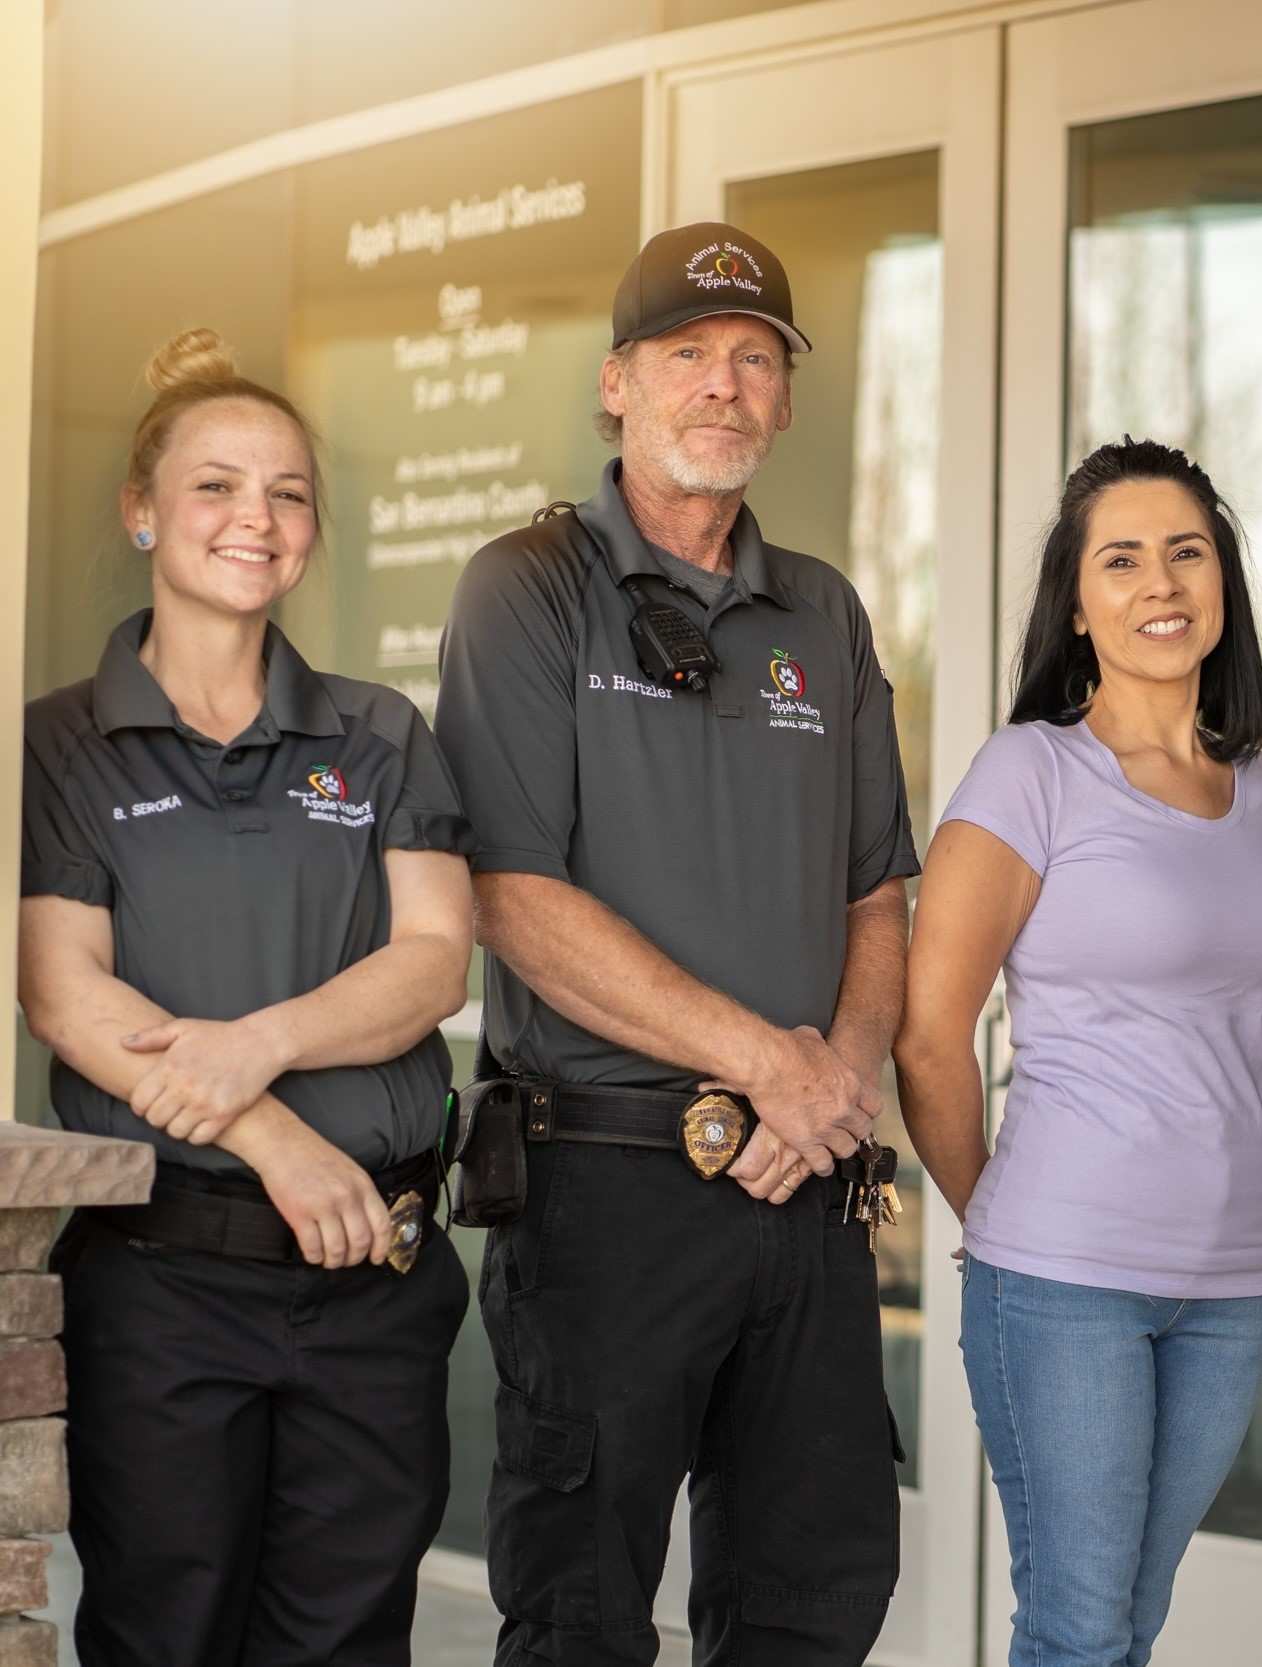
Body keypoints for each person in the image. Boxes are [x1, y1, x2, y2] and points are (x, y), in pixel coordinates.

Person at [433, 222, 917, 1666]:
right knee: (582, 1613)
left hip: (804, 1189)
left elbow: (877, 893)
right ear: (617, 385)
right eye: (689, 353)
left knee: (810, 1605)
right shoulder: (527, 587)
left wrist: (836, 1076)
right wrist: (773, 1061)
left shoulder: (822, 611)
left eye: (755, 357)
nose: (725, 383)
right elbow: (512, 891)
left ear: (782, 397)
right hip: (605, 1188)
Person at [17, 328, 476, 1667]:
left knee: (346, 1641)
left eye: (287, 492)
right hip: (162, 1283)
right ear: (143, 509)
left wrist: (254, 1044)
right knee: (164, 1635)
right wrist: (272, 1133)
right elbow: (63, 989)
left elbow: (434, 954)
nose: (255, 518)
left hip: (373, 1281)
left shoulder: (380, 732)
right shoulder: (58, 740)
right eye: (216, 484)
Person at [895, 438, 1262, 1667]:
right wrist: (1006, 1218)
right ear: (1076, 604)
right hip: (1063, 1272)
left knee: (1132, 1619)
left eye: (1186, 551)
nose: (1159, 582)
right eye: (1120, 559)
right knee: (1077, 1630)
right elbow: (928, 1036)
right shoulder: (1034, 772)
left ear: (1223, 584)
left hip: (1232, 1278)